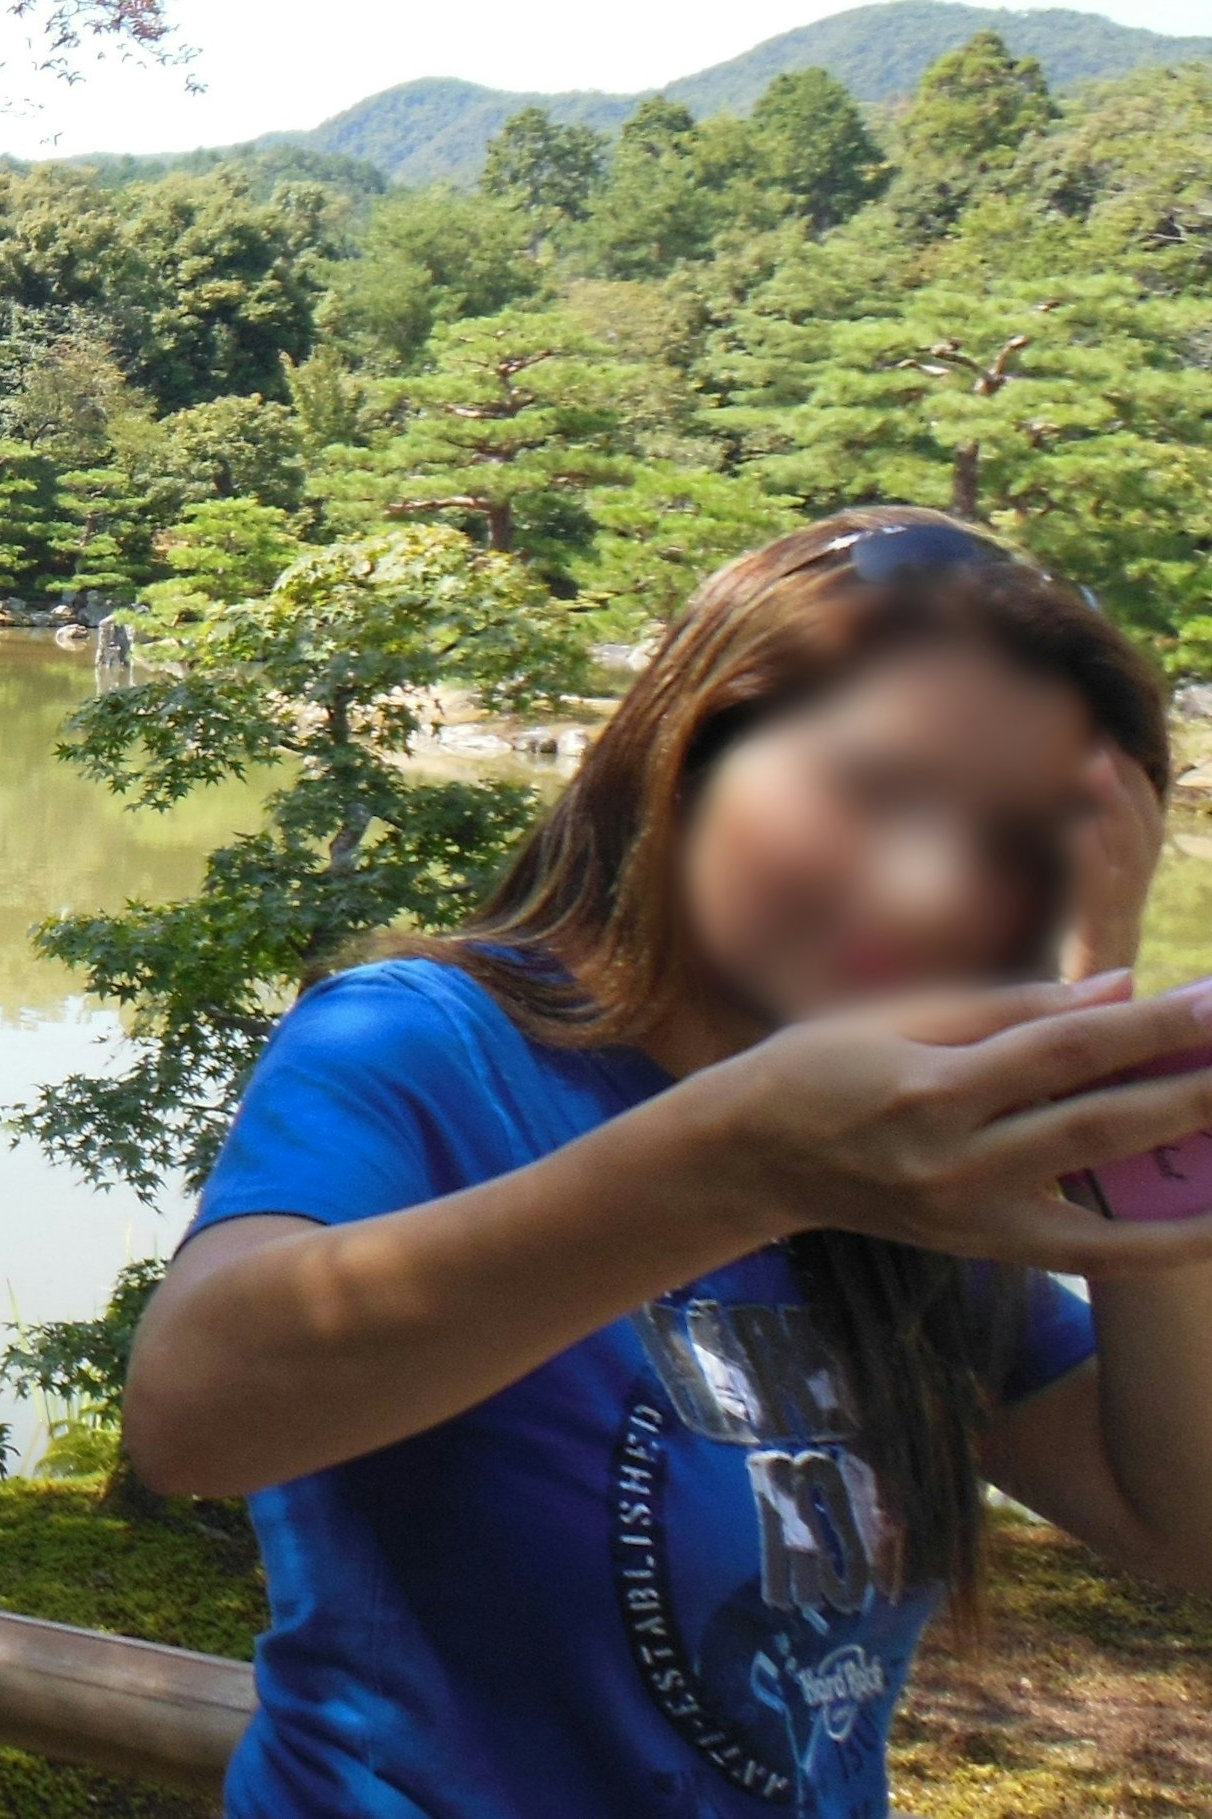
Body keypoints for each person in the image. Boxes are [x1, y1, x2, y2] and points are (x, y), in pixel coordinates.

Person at [121, 506, 1212, 1818]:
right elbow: (194, 1408)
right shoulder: (429, 1042)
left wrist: (1123, 1083)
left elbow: (1177, 1519)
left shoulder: (901, 1141)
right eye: (875, 789)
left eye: (1010, 842)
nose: (930, 884)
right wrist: (748, 1162)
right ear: (685, 756)